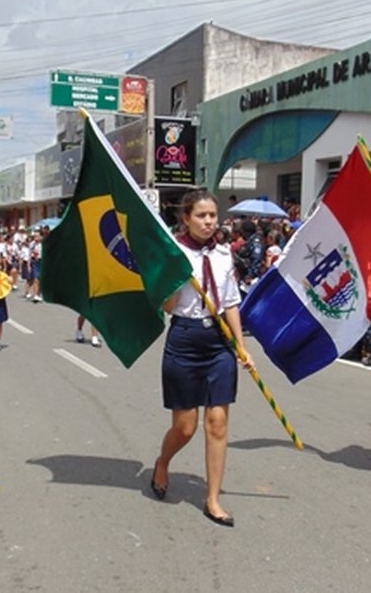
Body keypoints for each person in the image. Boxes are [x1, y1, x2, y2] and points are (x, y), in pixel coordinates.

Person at [151, 190, 253, 527]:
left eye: (213, 215)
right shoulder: (174, 253)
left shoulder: (224, 254)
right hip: (184, 339)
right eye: (201, 216)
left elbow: (231, 302)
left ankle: (213, 499)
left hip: (218, 343)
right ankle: (164, 461)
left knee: (218, 423)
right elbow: (166, 307)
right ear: (186, 218)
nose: (209, 222)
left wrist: (241, 346)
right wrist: (177, 280)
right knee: (185, 427)